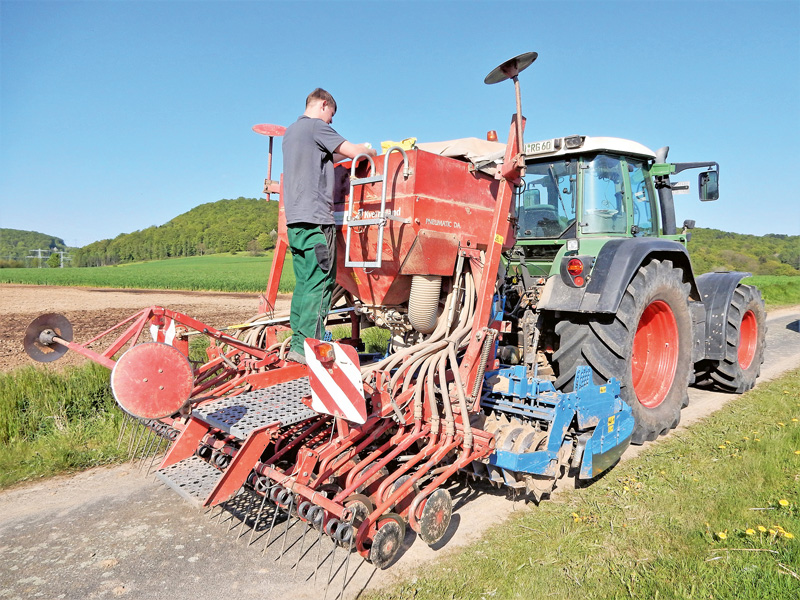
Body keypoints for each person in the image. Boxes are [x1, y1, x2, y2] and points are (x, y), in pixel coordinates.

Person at [282, 88, 376, 364]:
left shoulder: (291, 133)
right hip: (316, 221)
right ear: (324, 105)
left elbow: (327, 157)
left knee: (303, 284)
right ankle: (310, 346)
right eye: (331, 116)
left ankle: (298, 344)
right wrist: (367, 150)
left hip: (296, 222)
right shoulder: (316, 127)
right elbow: (355, 152)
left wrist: (340, 157)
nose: (330, 122)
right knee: (321, 282)